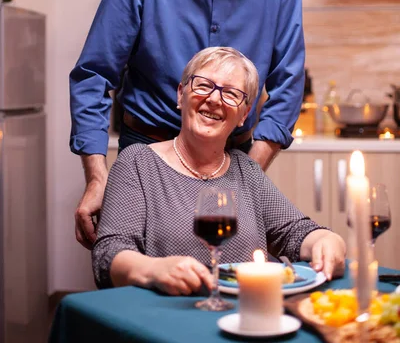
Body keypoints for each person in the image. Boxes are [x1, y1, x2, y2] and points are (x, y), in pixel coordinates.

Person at [70, 0, 305, 250]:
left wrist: (250, 169)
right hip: (147, 155)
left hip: (234, 155)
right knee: (143, 280)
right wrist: (97, 176)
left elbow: (289, 83)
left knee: (231, 279)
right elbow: (93, 75)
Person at [92, 47, 345, 293]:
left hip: (247, 314)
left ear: (244, 114)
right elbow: (108, 253)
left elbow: (296, 233)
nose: (214, 99)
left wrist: (328, 241)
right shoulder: (137, 162)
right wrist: (153, 269)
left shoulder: (245, 169)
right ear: (181, 95)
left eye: (231, 93)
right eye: (203, 85)